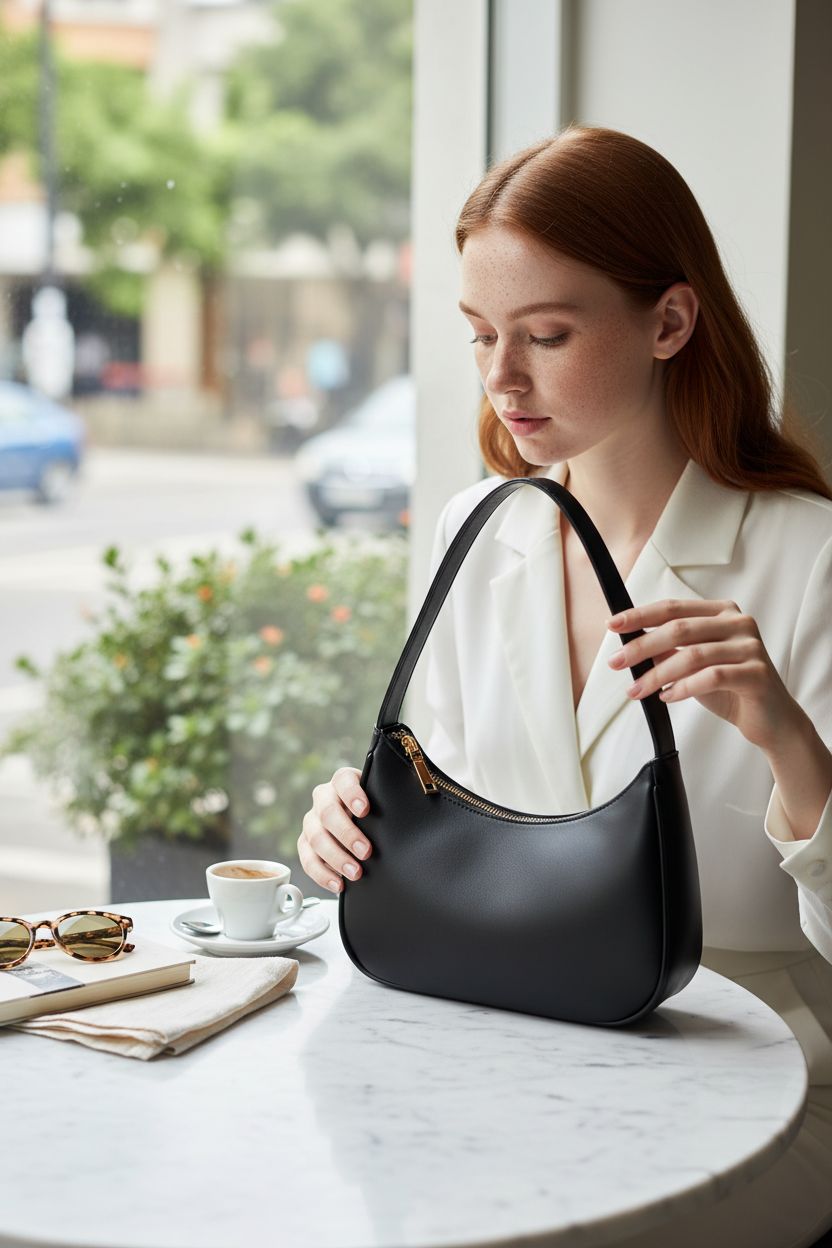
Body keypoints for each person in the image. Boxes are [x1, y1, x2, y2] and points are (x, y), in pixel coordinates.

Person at [298, 125, 832, 1248]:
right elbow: (457, 814)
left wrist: (789, 742)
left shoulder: (809, 557)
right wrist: (358, 826)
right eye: (481, 334)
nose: (501, 377)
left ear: (669, 322)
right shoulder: (477, 530)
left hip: (747, 1080)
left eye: (545, 334)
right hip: (508, 1055)